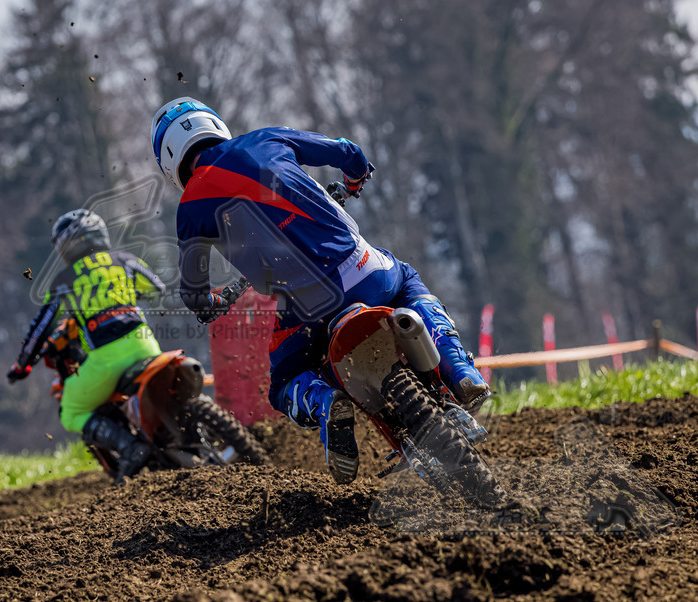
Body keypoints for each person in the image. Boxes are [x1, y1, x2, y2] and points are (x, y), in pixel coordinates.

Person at [151, 97, 490, 484]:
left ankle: (325, 401)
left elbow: (193, 292)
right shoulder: (266, 139)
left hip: (304, 311)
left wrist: (211, 303)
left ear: (170, 161)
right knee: (408, 283)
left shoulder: (190, 207)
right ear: (213, 124)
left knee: (282, 383)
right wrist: (354, 180)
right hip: (365, 272)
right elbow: (348, 152)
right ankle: (457, 366)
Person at [7, 209, 166, 482]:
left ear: (67, 244)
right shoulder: (125, 259)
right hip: (147, 346)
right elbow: (157, 288)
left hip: (107, 360)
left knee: (71, 411)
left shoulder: (64, 281)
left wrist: (22, 365)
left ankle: (130, 447)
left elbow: (40, 327)